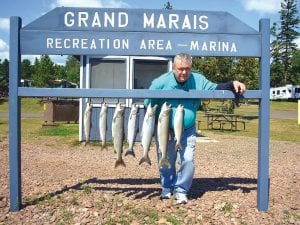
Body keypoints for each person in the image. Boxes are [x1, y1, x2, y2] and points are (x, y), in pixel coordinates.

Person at [144, 53, 246, 204]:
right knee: (165, 160)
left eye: (187, 69)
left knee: (188, 160)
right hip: (165, 130)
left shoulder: (198, 79)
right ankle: (166, 187)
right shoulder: (160, 82)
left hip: (187, 129)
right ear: (173, 68)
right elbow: (148, 104)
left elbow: (216, 88)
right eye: (180, 69)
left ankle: (181, 190)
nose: (184, 72)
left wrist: (232, 84)